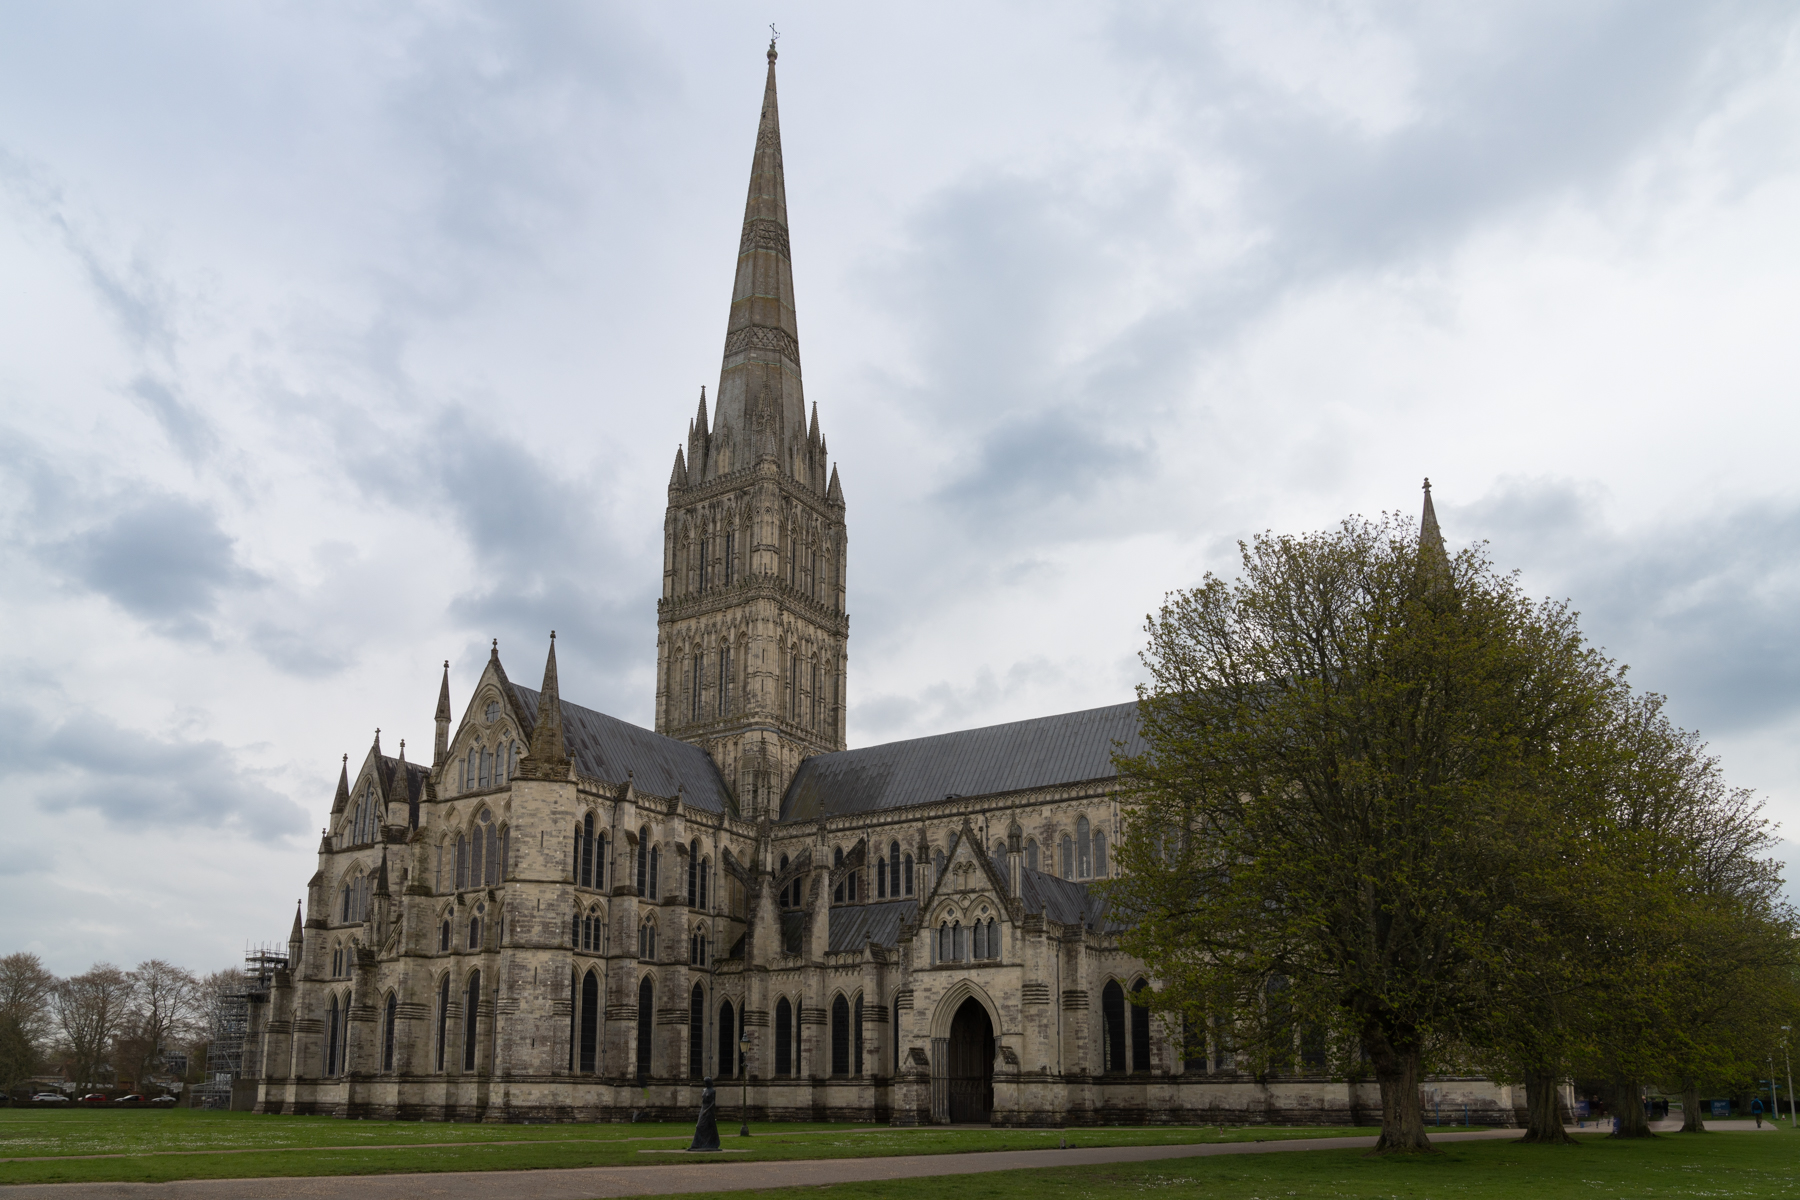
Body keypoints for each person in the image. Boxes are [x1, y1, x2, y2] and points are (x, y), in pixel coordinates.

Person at [688, 1077, 721, 1151]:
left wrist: (707, 1110)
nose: (705, 1083)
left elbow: (713, 1102)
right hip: (703, 1108)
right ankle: (696, 1144)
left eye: (706, 1082)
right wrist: (703, 1109)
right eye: (704, 1082)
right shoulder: (703, 1090)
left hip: (708, 1110)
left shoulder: (712, 1091)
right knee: (698, 1126)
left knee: (709, 1128)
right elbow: (703, 1101)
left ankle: (710, 1143)